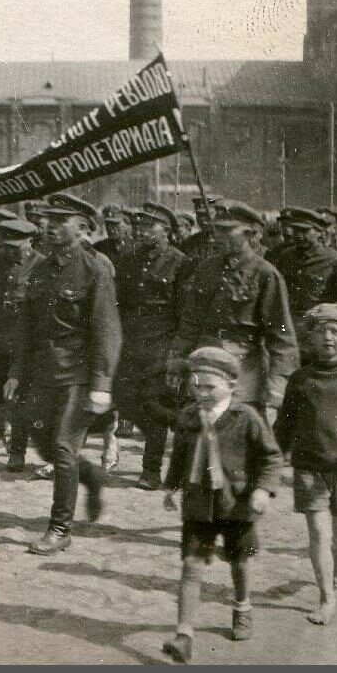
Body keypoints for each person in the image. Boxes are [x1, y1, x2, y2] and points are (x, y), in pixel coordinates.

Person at [4, 193, 120, 555]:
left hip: (79, 372)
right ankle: (91, 476)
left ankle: (59, 528)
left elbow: (107, 330)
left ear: (82, 228)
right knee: (43, 443)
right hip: (43, 371)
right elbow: (27, 326)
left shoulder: (95, 269)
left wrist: (101, 384)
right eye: (48, 220)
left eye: (60, 221)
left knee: (63, 446)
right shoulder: (41, 269)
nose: (49, 226)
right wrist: (16, 372)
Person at [161, 347, 282, 663]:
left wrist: (262, 491)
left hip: (237, 505)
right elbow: (179, 456)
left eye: (209, 387)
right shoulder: (189, 416)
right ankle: (184, 635)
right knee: (191, 565)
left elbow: (271, 457)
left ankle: (242, 606)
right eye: (196, 386)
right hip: (198, 505)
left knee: (238, 562)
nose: (201, 393)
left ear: (231, 384)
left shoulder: (246, 418)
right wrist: (171, 487)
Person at [273, 303, 337, 626]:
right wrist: (273, 460)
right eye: (320, 331)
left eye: (335, 331)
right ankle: (326, 598)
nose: (328, 337)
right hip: (308, 469)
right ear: (310, 339)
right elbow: (284, 426)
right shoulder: (300, 380)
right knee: (318, 533)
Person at [170, 200, 298, 419]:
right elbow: (190, 322)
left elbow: (281, 338)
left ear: (250, 233)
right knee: (200, 428)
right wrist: (177, 359)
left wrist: (277, 387)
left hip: (243, 370)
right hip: (205, 362)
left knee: (239, 428)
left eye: (226, 230)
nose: (216, 236)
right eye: (217, 229)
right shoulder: (207, 269)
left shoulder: (265, 274)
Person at [115, 202, 190, 489]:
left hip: (162, 341)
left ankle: (151, 470)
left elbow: (184, 312)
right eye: (138, 226)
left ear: (166, 230)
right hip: (131, 340)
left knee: (155, 404)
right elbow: (120, 302)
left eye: (148, 226)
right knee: (126, 399)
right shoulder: (128, 259)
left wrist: (177, 350)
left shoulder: (179, 262)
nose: (140, 231)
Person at [0, 218, 44, 472]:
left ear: (30, 241)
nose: (11, 252)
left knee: (20, 397)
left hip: (26, 342)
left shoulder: (41, 265)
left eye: (16, 247)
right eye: (7, 246)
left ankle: (17, 450)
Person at [267, 207, 337, 360]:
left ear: (320, 232)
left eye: (305, 231)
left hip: (319, 328)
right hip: (289, 327)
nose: (299, 235)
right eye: (295, 230)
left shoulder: (334, 260)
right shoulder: (285, 256)